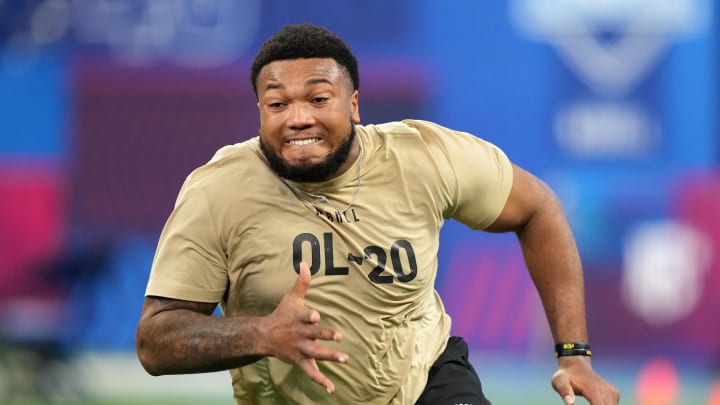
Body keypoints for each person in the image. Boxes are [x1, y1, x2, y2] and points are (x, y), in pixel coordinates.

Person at [135, 23, 620, 405]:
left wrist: (574, 356)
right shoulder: (219, 189)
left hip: (426, 381)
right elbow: (155, 340)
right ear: (260, 111)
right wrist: (261, 332)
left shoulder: (425, 156)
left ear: (354, 105)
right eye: (277, 103)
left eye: (318, 99)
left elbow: (538, 209)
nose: (297, 117)